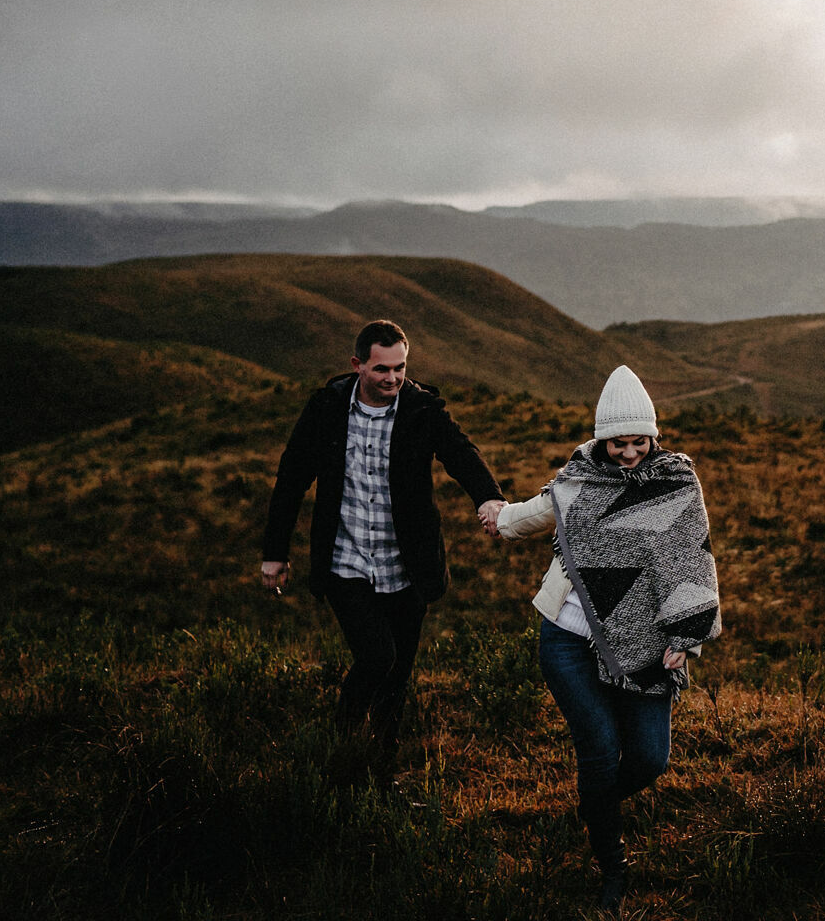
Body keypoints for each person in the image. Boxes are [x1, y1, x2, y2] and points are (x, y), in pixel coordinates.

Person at [478, 364, 721, 913]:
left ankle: (594, 809)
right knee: (597, 749)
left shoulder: (676, 482)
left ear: (654, 437)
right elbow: (538, 513)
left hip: (645, 642)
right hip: (567, 638)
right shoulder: (579, 477)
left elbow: (691, 558)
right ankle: (611, 866)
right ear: (601, 438)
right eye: (618, 443)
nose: (630, 453)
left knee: (649, 760)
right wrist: (499, 516)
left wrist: (686, 633)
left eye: (639, 442)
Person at [261, 319, 502, 781]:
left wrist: (488, 496)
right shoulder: (328, 407)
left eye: (400, 368)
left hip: (406, 568)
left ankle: (379, 773)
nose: (393, 378)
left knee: (396, 681)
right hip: (346, 562)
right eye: (381, 369)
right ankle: (340, 748)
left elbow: (460, 452)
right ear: (357, 366)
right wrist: (276, 551)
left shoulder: (421, 409)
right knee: (376, 657)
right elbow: (292, 477)